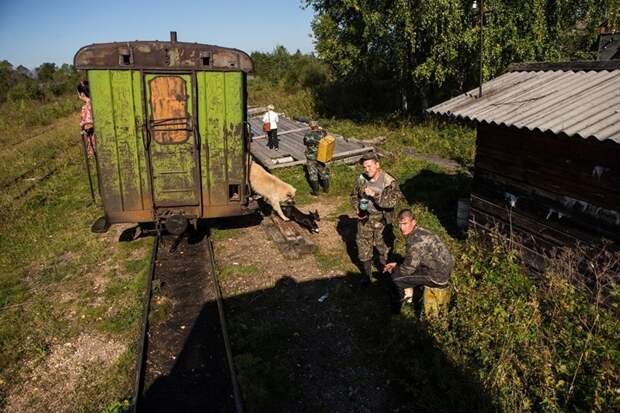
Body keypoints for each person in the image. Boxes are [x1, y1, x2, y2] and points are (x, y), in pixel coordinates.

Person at [350, 153, 403, 286]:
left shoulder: (389, 181)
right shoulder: (361, 179)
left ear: (377, 165)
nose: (367, 169)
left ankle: (385, 275)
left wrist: (375, 195)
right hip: (365, 218)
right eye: (364, 167)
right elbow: (353, 195)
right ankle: (366, 276)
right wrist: (357, 208)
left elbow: (392, 202)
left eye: (369, 166)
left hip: (382, 220)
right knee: (363, 246)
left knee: (384, 248)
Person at [384, 209, 454, 307]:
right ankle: (411, 296)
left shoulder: (415, 242)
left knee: (396, 279)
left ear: (413, 222)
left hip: (437, 276)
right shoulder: (421, 231)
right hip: (444, 267)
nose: (402, 228)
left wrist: (396, 268)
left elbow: (408, 269)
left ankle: (398, 307)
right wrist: (397, 264)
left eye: (405, 224)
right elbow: (415, 260)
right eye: (400, 224)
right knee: (403, 268)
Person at [303, 120, 329, 196]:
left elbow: (305, 142)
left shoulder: (307, 134)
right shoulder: (322, 133)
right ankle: (326, 189)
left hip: (311, 156)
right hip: (321, 155)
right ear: (317, 126)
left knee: (312, 173)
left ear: (310, 126)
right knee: (323, 172)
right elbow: (327, 137)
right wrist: (322, 129)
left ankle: (316, 191)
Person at [77, 80, 95, 158]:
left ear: (82, 94)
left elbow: (88, 125)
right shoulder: (95, 102)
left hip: (93, 138)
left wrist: (82, 124)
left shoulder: (86, 106)